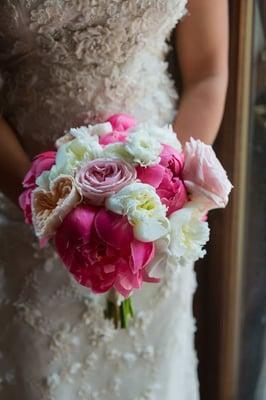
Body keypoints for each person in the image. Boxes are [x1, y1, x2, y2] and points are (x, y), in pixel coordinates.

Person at [0, 1, 228, 399]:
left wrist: (164, 198)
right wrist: (50, 207)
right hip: (29, 216)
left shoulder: (158, 216)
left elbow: (208, 71)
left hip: (157, 224)